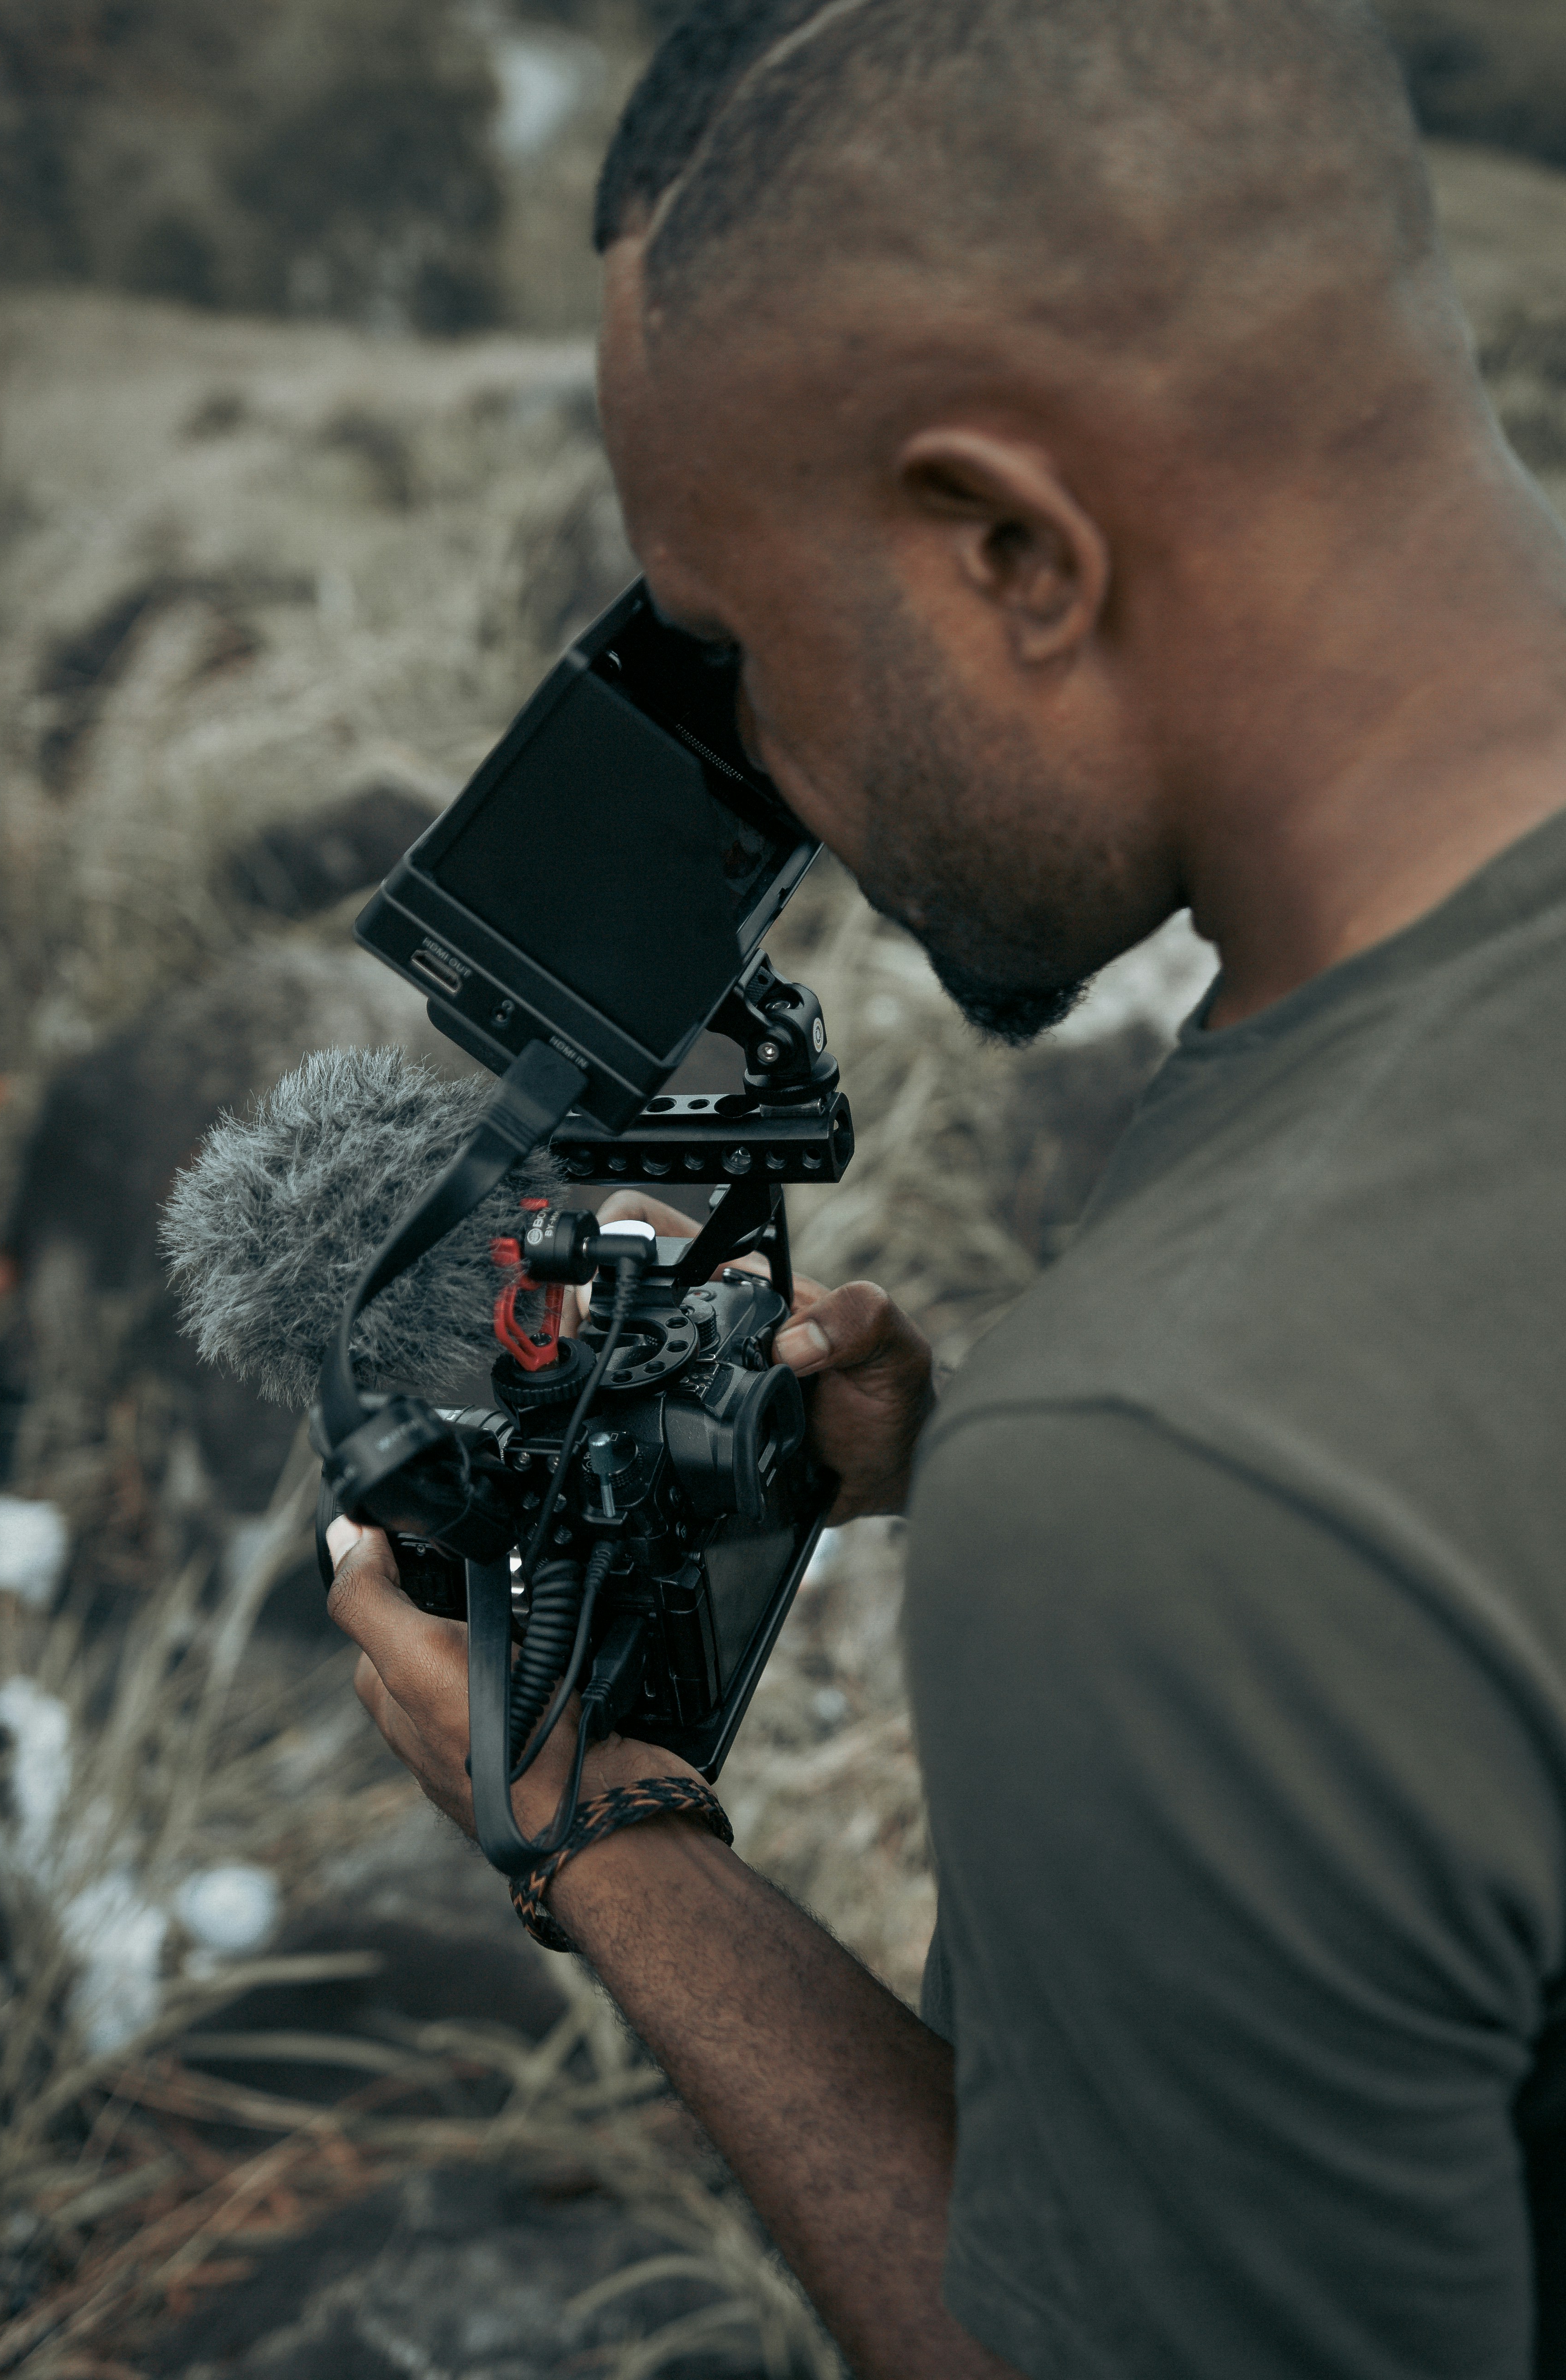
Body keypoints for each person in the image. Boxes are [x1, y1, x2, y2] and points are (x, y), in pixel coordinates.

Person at [323, 2, 1566, 2372]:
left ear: (1011, 546)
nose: (760, 772)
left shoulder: (1185, 1490)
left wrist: (593, 1823)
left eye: (734, 654)